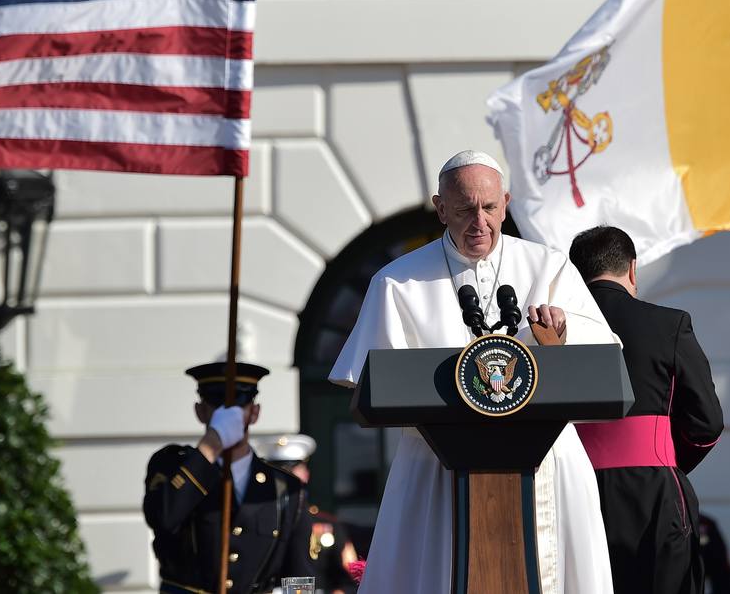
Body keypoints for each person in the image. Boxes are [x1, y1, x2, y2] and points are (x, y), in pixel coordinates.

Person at [329, 149, 618, 594]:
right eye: (464, 210)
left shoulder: (550, 266)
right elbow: (370, 383)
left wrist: (558, 343)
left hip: (545, 463)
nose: (478, 222)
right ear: (440, 208)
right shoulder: (397, 282)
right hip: (436, 464)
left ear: (505, 202)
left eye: (488, 208)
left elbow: (598, 360)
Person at [568, 225, 724, 594]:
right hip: (652, 493)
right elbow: (707, 423)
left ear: (575, 275)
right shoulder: (669, 324)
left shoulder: (547, 332)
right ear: (633, 270)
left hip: (572, 488)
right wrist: (662, 458)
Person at [143, 361, 315, 594]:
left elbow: (299, 578)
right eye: (217, 403)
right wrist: (211, 445)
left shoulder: (285, 488)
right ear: (200, 411)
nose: (227, 414)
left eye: (238, 403)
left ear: (254, 413)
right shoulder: (171, 466)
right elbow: (163, 518)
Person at [254, 433, 360, 594]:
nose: (284, 481)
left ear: (305, 474)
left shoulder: (327, 525)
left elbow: (349, 580)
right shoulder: (253, 521)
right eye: (278, 472)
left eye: (292, 471)